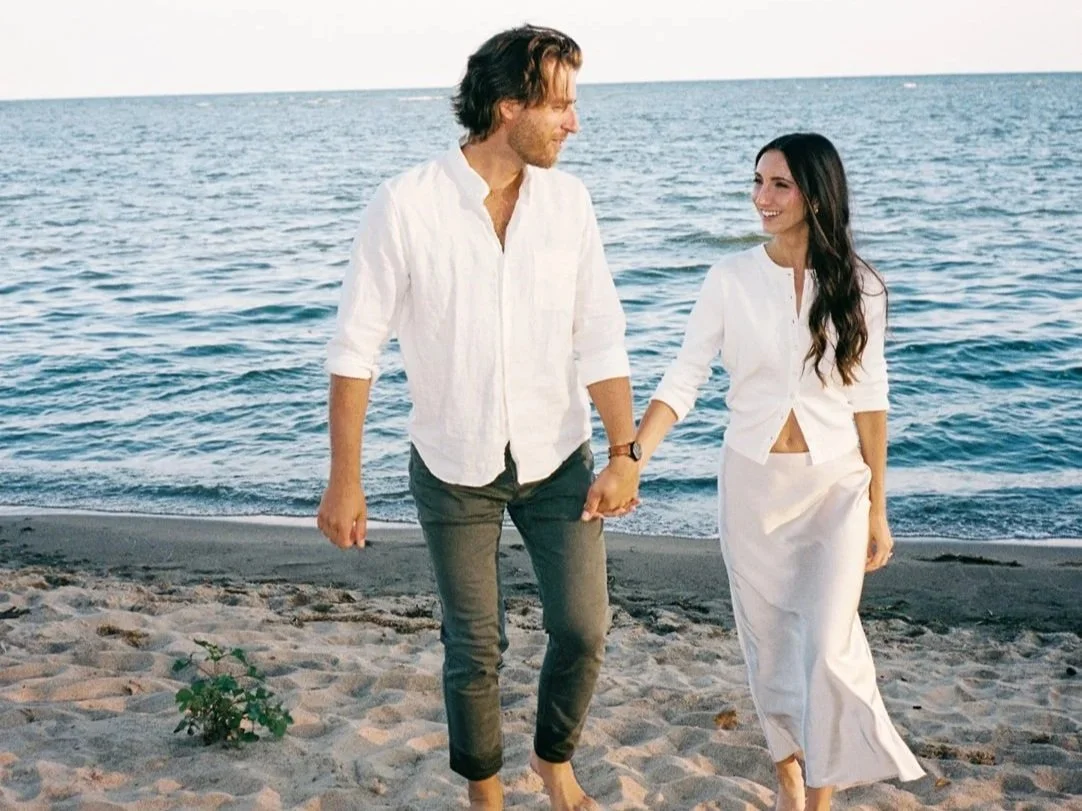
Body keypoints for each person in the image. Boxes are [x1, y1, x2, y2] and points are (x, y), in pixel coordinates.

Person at [316, 25, 639, 811]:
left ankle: (553, 759)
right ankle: (485, 795)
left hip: (557, 456)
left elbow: (599, 333)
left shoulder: (569, 203)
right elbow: (355, 349)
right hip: (453, 467)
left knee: (585, 627)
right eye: (560, 104)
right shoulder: (407, 204)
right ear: (508, 107)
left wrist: (625, 452)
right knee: (475, 646)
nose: (574, 122)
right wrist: (344, 482)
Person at [633, 133, 925, 810]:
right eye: (757, 182)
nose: (761, 198)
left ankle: (817, 796)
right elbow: (685, 375)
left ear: (816, 195)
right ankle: (789, 766)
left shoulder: (860, 286)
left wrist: (879, 506)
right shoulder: (728, 280)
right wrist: (635, 455)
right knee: (769, 648)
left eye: (779, 185)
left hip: (836, 491)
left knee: (826, 646)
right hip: (754, 491)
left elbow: (871, 399)